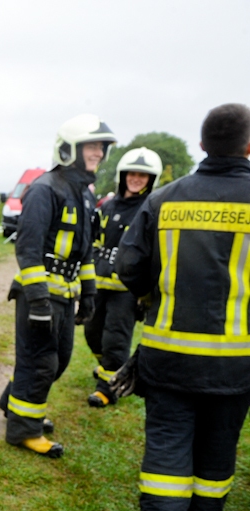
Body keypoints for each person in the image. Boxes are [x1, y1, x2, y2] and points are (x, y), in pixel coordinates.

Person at [115, 103, 250, 511]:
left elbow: (128, 267)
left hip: (167, 352)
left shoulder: (164, 198)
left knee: (169, 439)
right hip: (238, 361)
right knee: (220, 437)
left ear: (202, 145)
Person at [0, 114, 116, 458]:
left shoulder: (85, 194)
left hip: (66, 294)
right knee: (40, 362)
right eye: (91, 145)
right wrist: (37, 302)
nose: (98, 153)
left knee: (60, 359)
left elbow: (86, 251)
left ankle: (15, 404)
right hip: (40, 294)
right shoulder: (44, 189)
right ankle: (24, 430)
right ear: (69, 149)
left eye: (101, 147)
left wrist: (90, 292)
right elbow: (28, 248)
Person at [84, 147, 163, 407]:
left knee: (116, 337)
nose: (136, 179)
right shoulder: (108, 205)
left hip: (126, 290)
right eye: (132, 174)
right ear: (123, 175)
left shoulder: (150, 208)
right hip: (99, 284)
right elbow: (94, 240)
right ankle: (108, 366)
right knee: (92, 332)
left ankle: (108, 389)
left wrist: (146, 291)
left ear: (151, 180)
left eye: (143, 175)